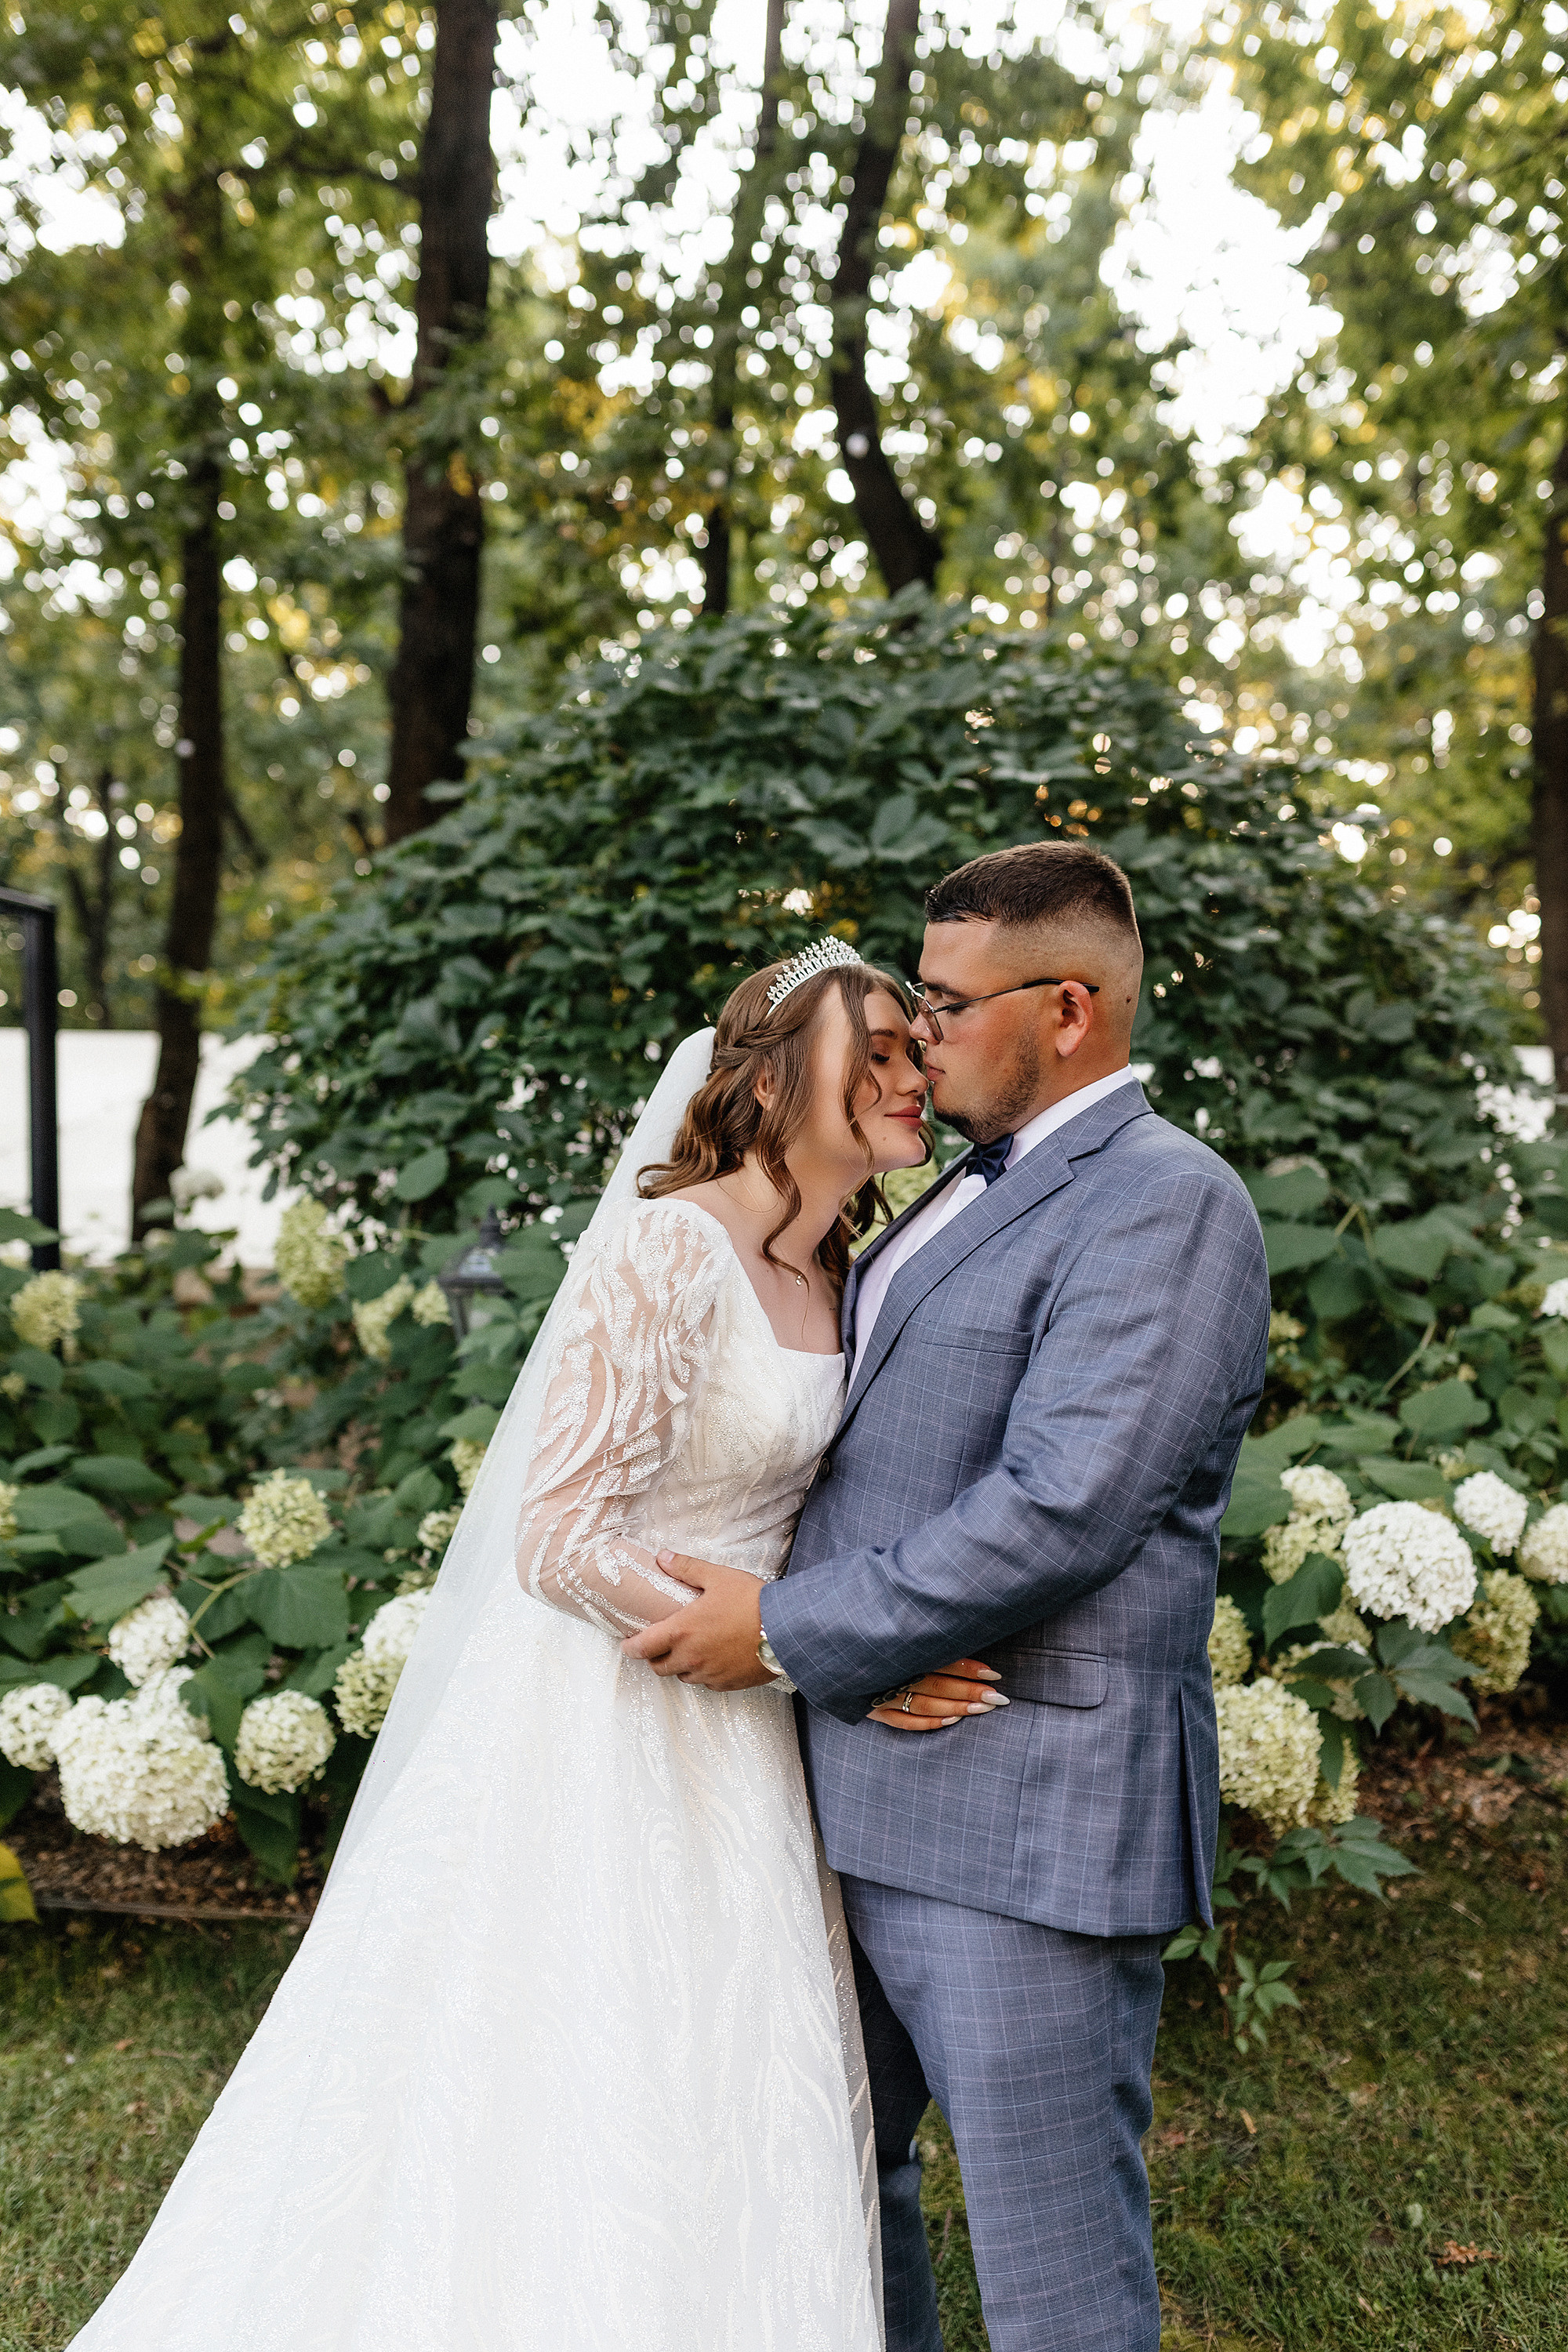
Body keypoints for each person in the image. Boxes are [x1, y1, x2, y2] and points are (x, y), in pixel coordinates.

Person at [67, 946, 999, 2352]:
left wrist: (856, 1640)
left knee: (735, 2081)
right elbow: (557, 1534)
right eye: (872, 1046)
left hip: (750, 1744)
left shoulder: (839, 1266)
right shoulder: (674, 1244)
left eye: (912, 1048)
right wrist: (797, 1650)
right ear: (769, 1071)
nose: (910, 1072)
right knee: (578, 2077)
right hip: (616, 1722)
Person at [625, 840, 1272, 2352]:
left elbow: (1067, 1506)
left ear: (1067, 1010)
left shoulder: (1170, 1203)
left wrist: (788, 1633)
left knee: (1054, 2268)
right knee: (839, 2204)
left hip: (1024, 1815)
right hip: (847, 1786)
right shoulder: (949, 1190)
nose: (916, 1032)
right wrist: (829, 1660)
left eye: (944, 1001)